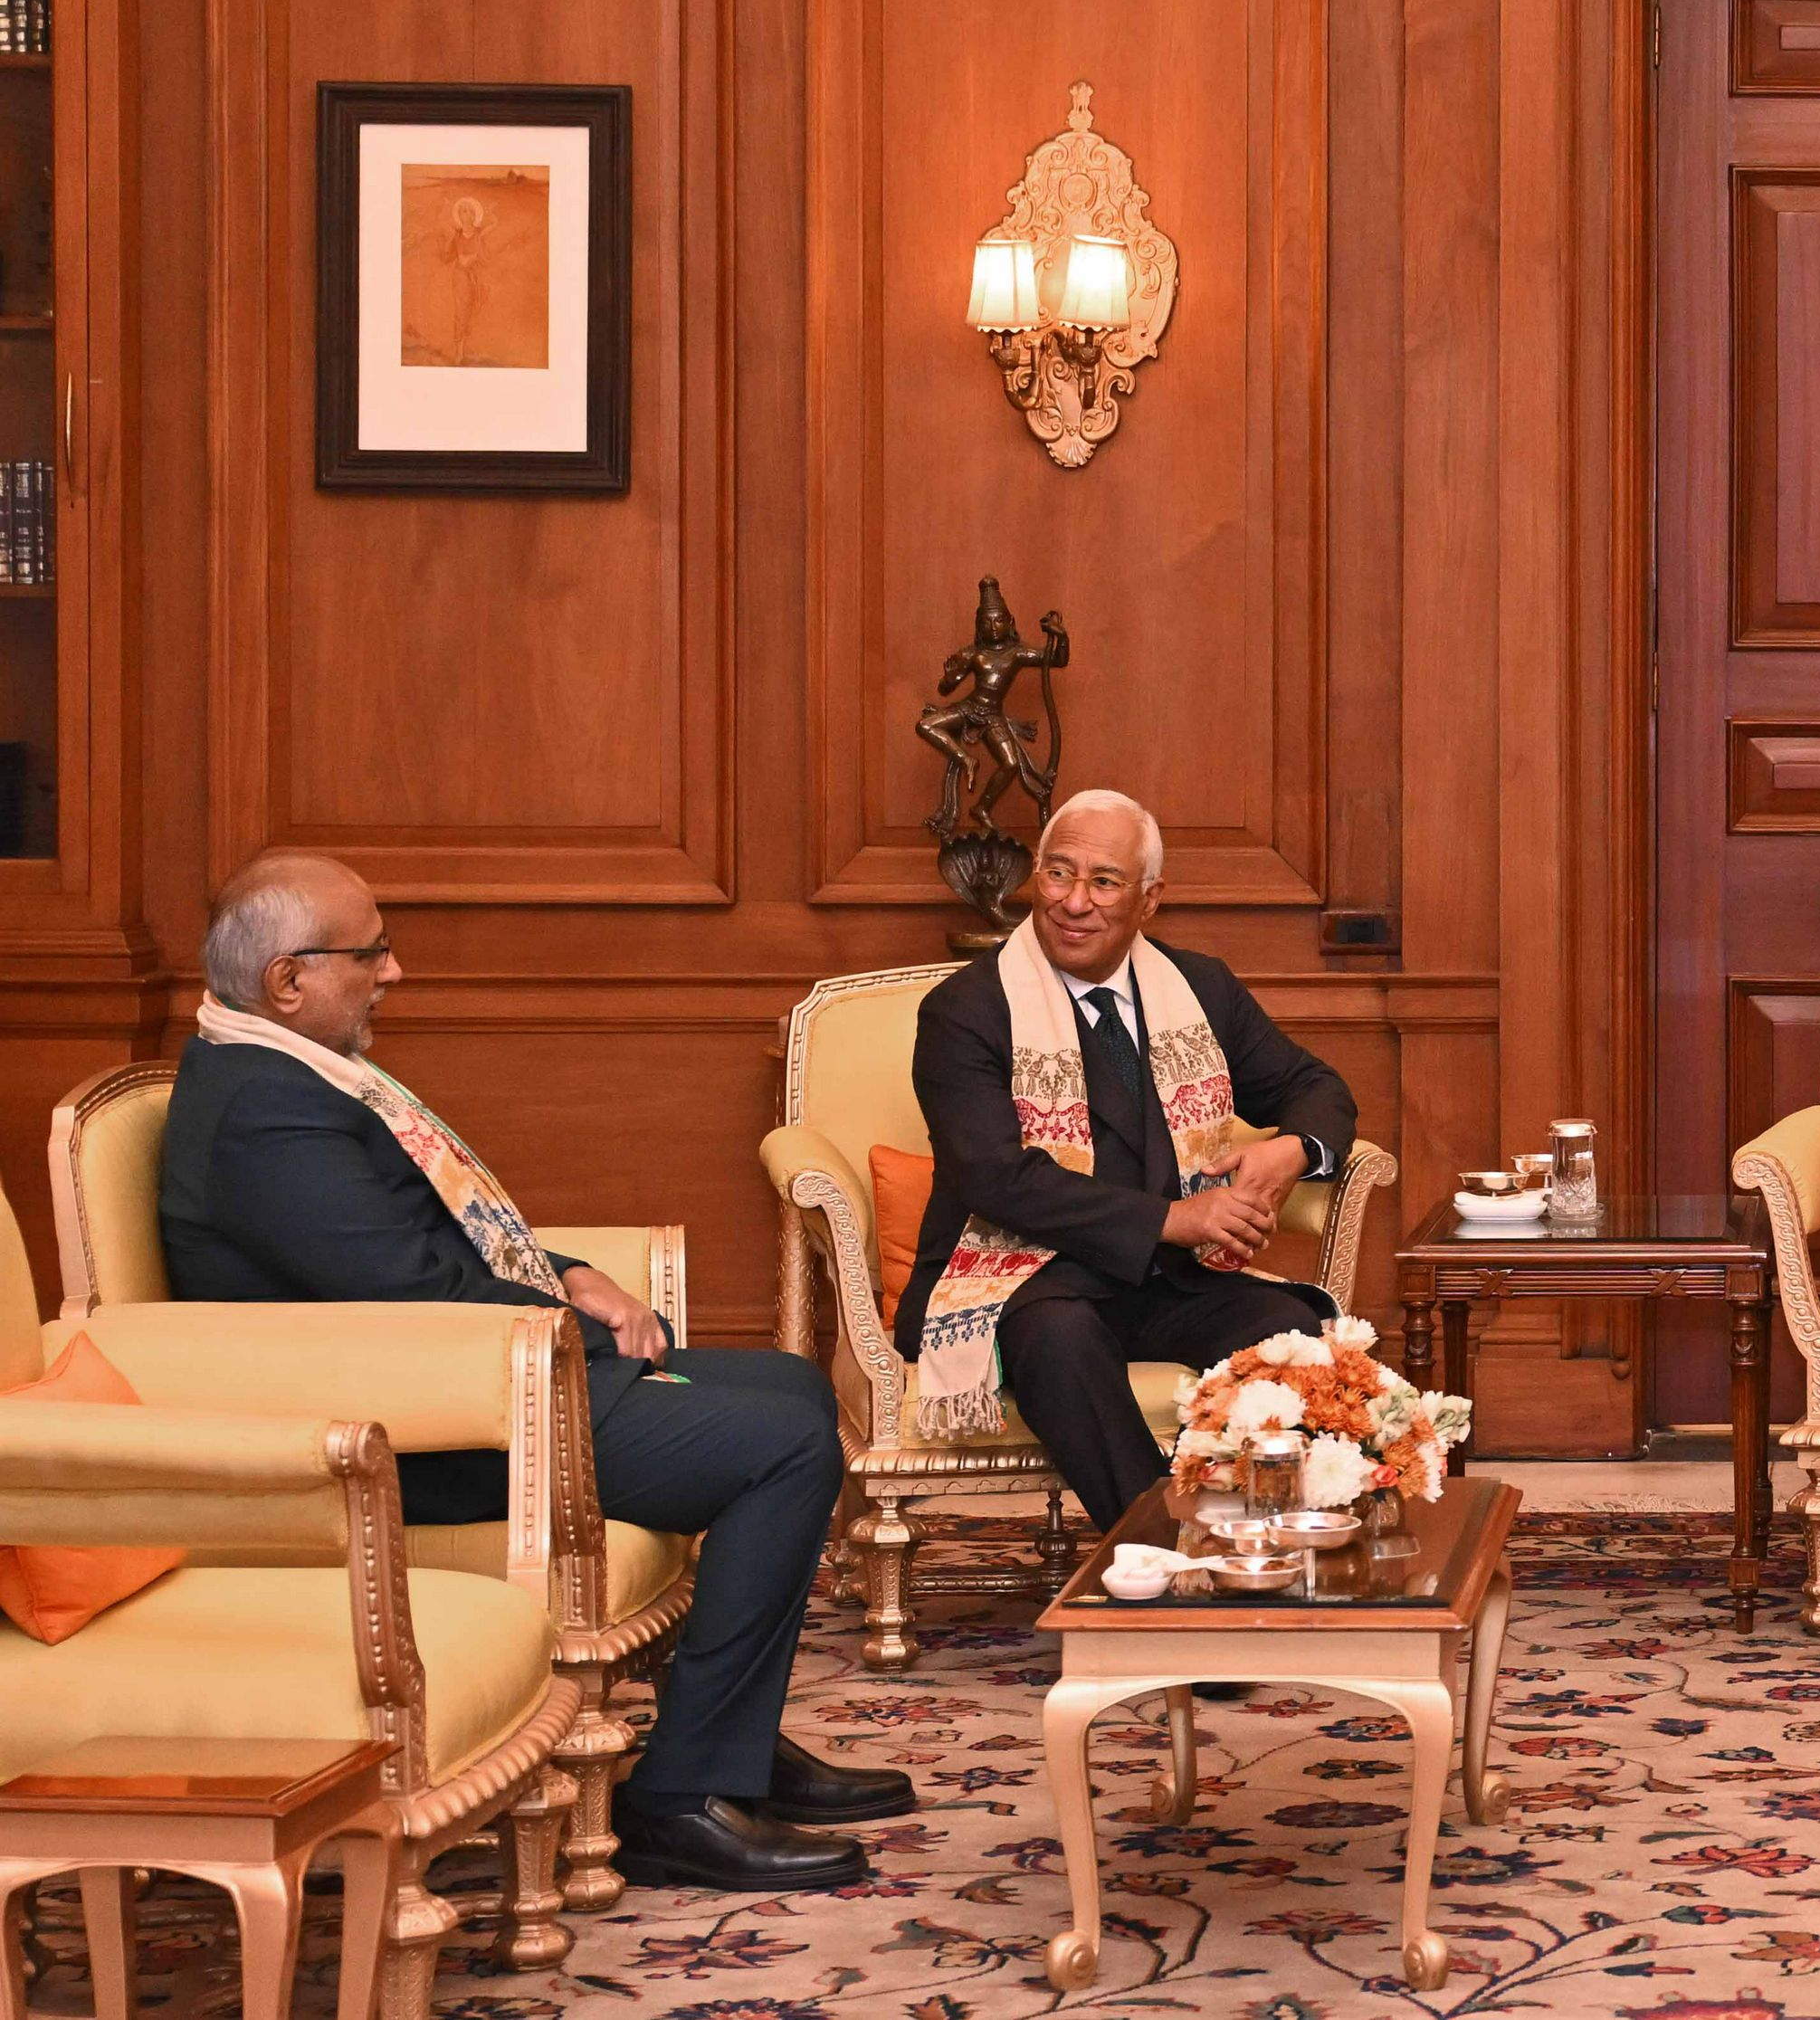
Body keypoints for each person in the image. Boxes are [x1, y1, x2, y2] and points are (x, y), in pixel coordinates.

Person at [160, 855, 906, 1893]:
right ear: (288, 979)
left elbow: (424, 1248)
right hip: (418, 1431)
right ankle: (679, 1799)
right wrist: (580, 1333)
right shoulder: (264, 1111)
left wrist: (570, 1272)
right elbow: (410, 1295)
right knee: (780, 1445)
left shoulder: (284, 1069)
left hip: (457, 1375)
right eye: (372, 951)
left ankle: (731, 1744)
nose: (393, 971)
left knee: (790, 1388)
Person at [902, 788, 1359, 1532]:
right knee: (1061, 1344)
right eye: (1058, 873)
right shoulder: (967, 1009)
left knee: (1289, 1333)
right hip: (1025, 1281)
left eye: (1104, 881)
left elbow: (1316, 1086)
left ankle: (1272, 1538)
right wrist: (1173, 1219)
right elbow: (994, 1177)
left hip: (1169, 1281)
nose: (1074, 901)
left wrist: (1291, 1150)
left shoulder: (1199, 987)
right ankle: (1162, 1548)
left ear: (1149, 900)